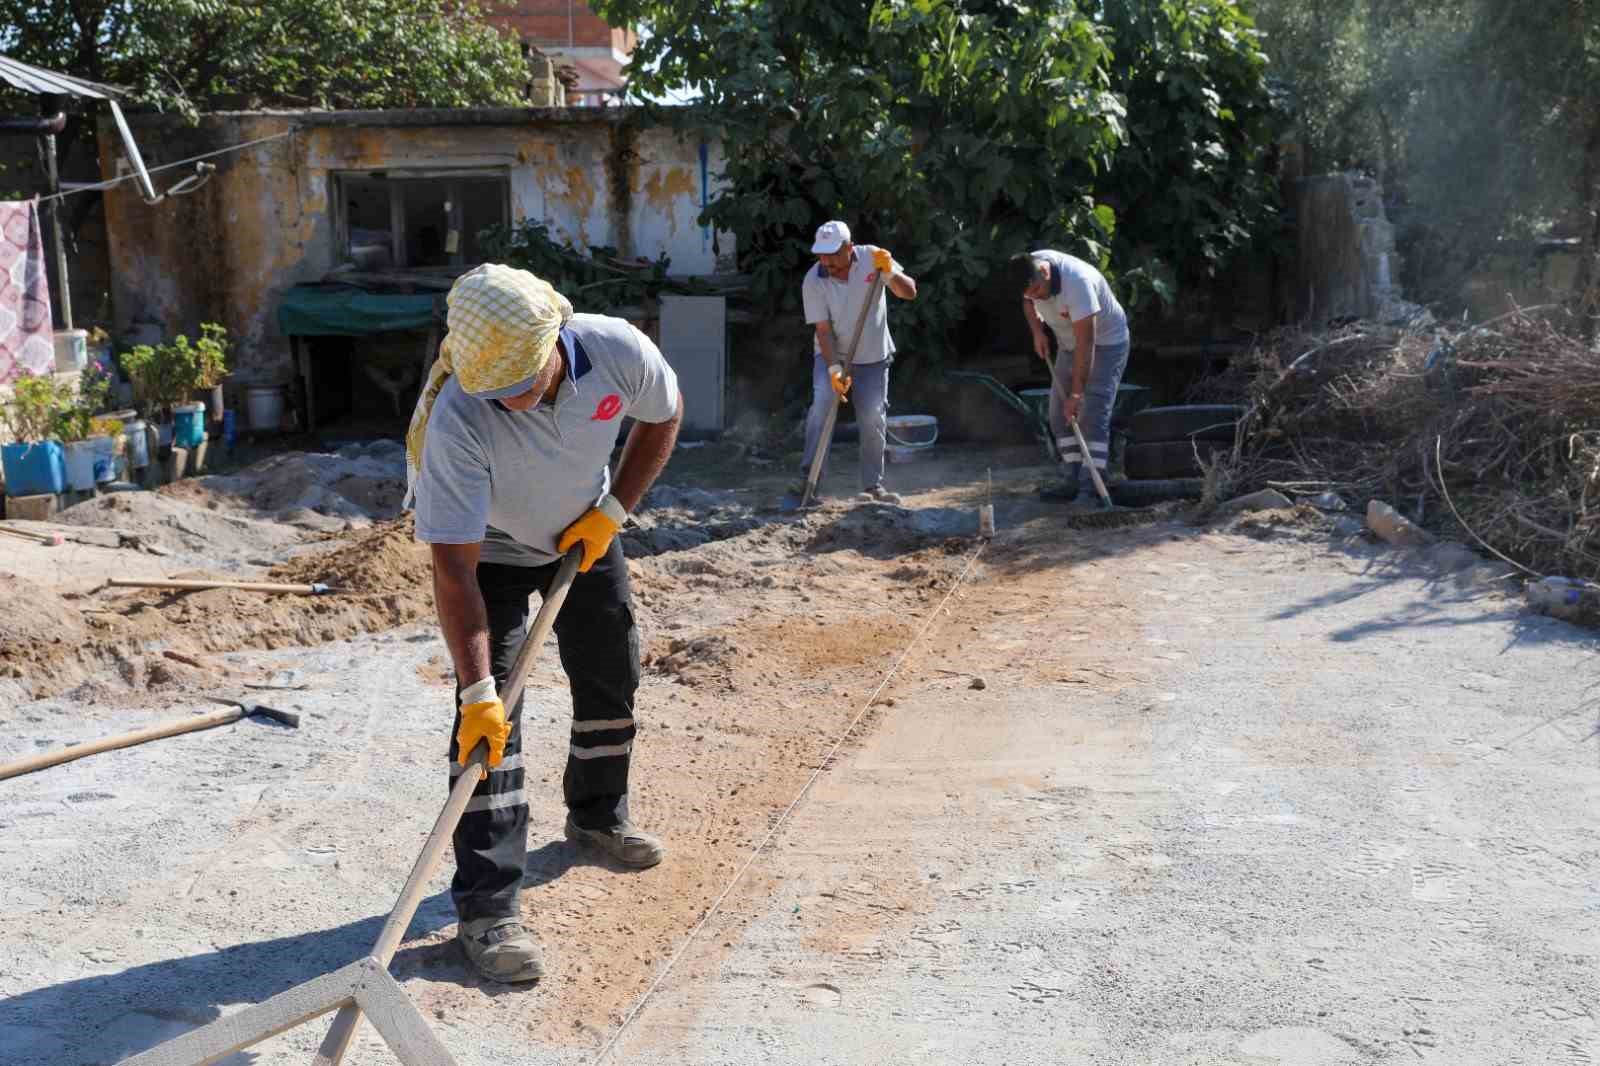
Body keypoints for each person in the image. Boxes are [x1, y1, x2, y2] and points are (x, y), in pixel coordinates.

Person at [405, 263, 682, 983]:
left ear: (557, 340)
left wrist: (614, 511)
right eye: (496, 393)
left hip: (584, 531)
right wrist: (475, 692)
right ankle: (488, 910)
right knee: (492, 728)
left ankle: (597, 815)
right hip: (489, 553)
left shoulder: (617, 351)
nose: (512, 403)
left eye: (523, 384)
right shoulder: (458, 415)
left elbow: (663, 416)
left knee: (610, 671)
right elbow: (453, 568)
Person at [795, 219, 918, 503]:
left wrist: (890, 272)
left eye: (832, 254)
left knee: (873, 416)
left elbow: (909, 292)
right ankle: (808, 481)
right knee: (822, 406)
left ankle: (872, 486)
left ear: (849, 248)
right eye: (821, 254)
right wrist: (835, 368)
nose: (826, 261)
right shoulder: (813, 280)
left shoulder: (873, 259)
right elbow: (823, 331)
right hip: (833, 355)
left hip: (873, 356)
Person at [1010, 250, 1130, 501]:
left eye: (1038, 291)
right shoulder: (1027, 272)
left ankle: (1092, 487)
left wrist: (1076, 394)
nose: (1037, 298)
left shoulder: (1079, 284)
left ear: (1044, 273)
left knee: (1091, 415)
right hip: (1068, 344)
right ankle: (1072, 477)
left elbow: (1087, 344)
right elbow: (1027, 302)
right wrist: (1037, 332)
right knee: (1056, 415)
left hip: (1105, 345)